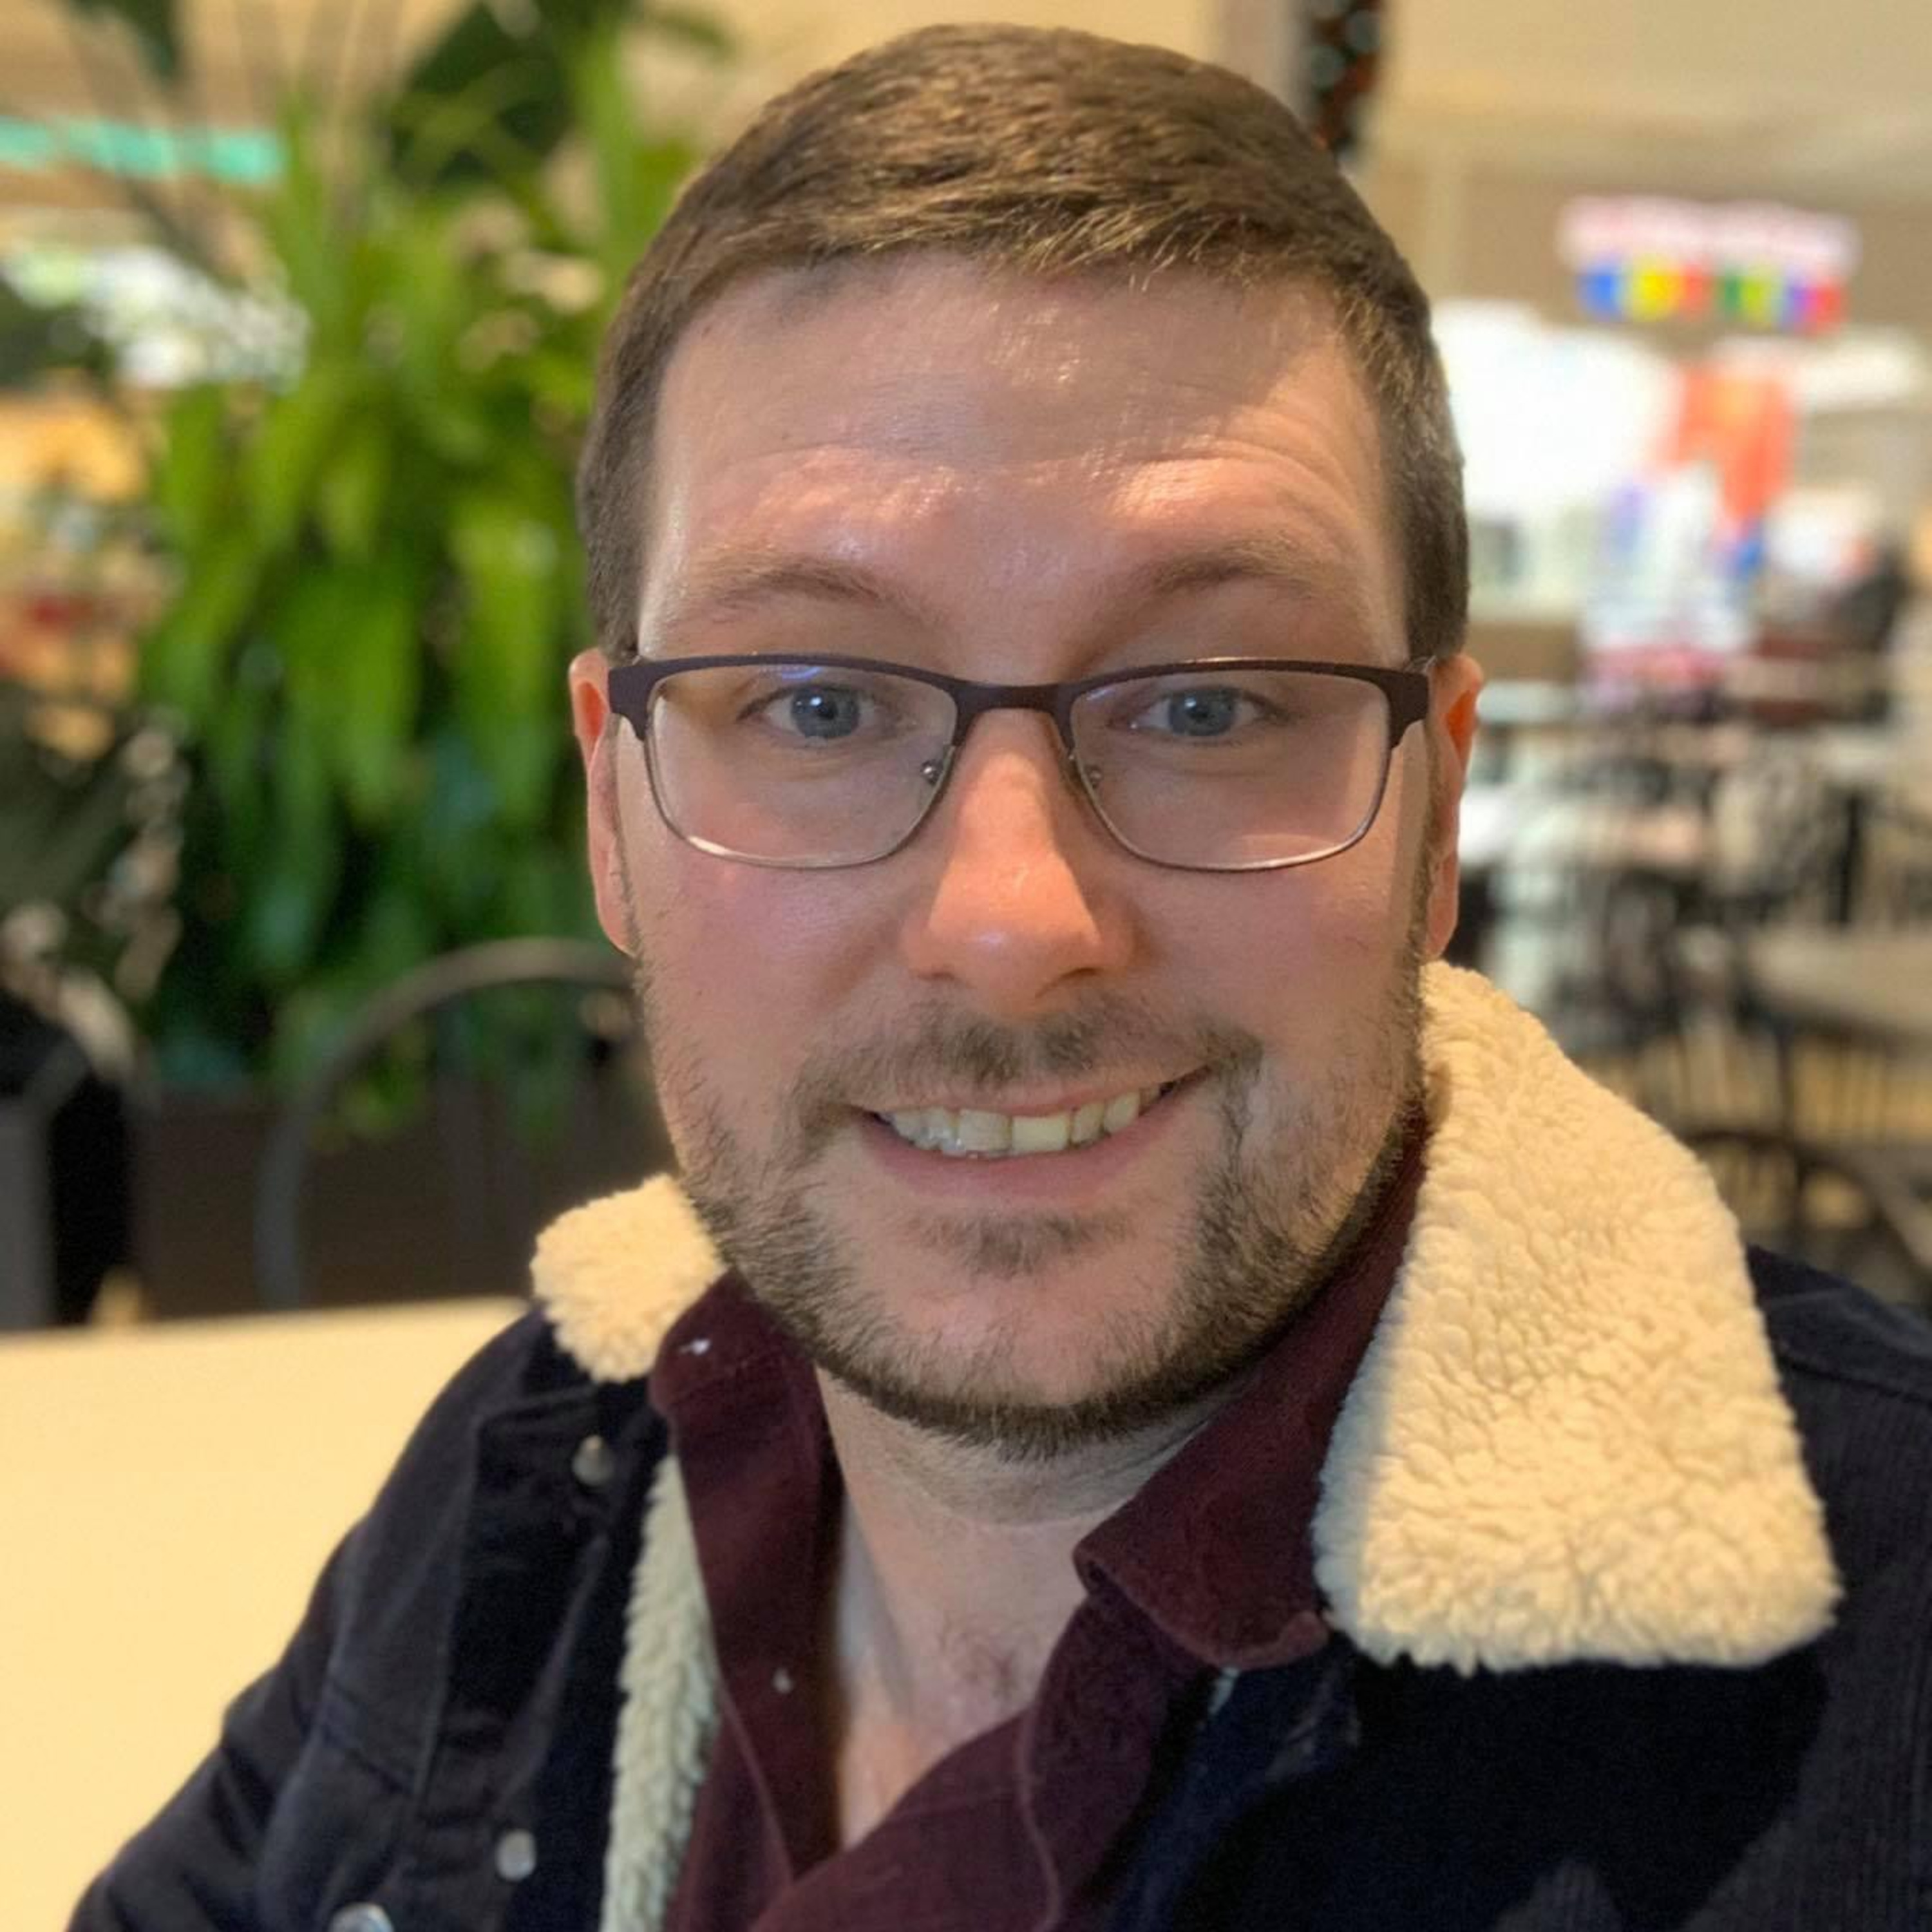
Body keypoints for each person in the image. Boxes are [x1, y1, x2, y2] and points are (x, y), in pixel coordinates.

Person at [75, 25, 1932, 1932]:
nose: (1012, 919)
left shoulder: (1878, 1712)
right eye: (816, 704)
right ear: (612, 811)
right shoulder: (540, 1472)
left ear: (1435, 814)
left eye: (1209, 705)